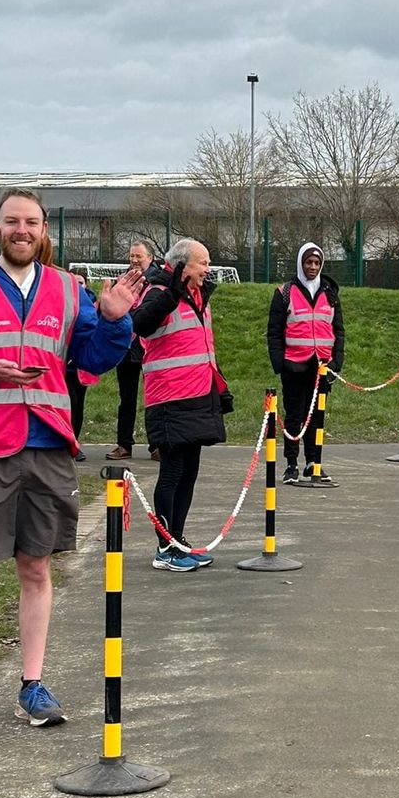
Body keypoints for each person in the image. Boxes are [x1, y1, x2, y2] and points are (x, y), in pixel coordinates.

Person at [0, 187, 142, 742]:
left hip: (46, 444)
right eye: (12, 221)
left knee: (37, 568)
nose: (22, 230)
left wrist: (113, 322)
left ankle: (32, 686)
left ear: (44, 230)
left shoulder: (69, 289)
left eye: (32, 222)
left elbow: (90, 360)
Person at [131, 237, 231, 572]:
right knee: (171, 472)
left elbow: (204, 346)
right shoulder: (158, 292)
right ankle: (165, 548)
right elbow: (140, 324)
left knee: (190, 472)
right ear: (182, 265)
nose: (208, 269)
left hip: (200, 396)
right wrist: (172, 293)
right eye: (203, 262)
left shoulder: (201, 296)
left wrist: (219, 389)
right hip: (169, 398)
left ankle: (178, 539)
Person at [266, 242, 346, 484]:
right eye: (308, 262)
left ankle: (314, 463)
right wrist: (280, 363)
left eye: (317, 262)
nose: (312, 266)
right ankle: (291, 465)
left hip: (321, 365)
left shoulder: (330, 292)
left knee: (317, 418)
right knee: (294, 416)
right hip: (294, 365)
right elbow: (274, 331)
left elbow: (338, 330)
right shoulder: (285, 292)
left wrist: (336, 363)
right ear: (301, 263)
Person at [107, 240, 157, 462]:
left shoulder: (157, 282)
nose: (135, 260)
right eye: (131, 256)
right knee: (126, 398)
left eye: (139, 256)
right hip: (126, 347)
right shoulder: (123, 280)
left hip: (150, 345)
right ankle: (124, 444)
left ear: (151, 258)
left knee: (153, 398)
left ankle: (157, 445)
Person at [65, 272, 99, 463]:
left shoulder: (92, 304)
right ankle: (68, 442)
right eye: (75, 282)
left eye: (81, 282)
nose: (78, 286)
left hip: (81, 367)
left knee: (78, 406)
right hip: (65, 367)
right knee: (70, 404)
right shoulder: (65, 301)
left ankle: (75, 442)